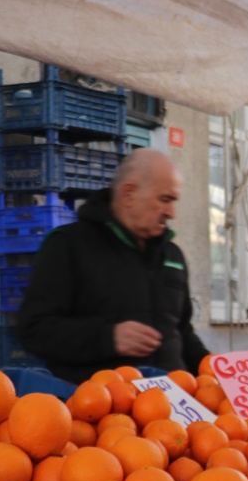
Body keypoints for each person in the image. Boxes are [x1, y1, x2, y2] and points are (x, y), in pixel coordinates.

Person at [18, 149, 211, 383]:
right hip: (99, 409)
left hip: (173, 408)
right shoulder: (69, 246)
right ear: (129, 194)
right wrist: (107, 338)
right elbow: (34, 330)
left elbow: (181, 333)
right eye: (164, 200)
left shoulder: (172, 255)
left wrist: (217, 370)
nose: (172, 213)